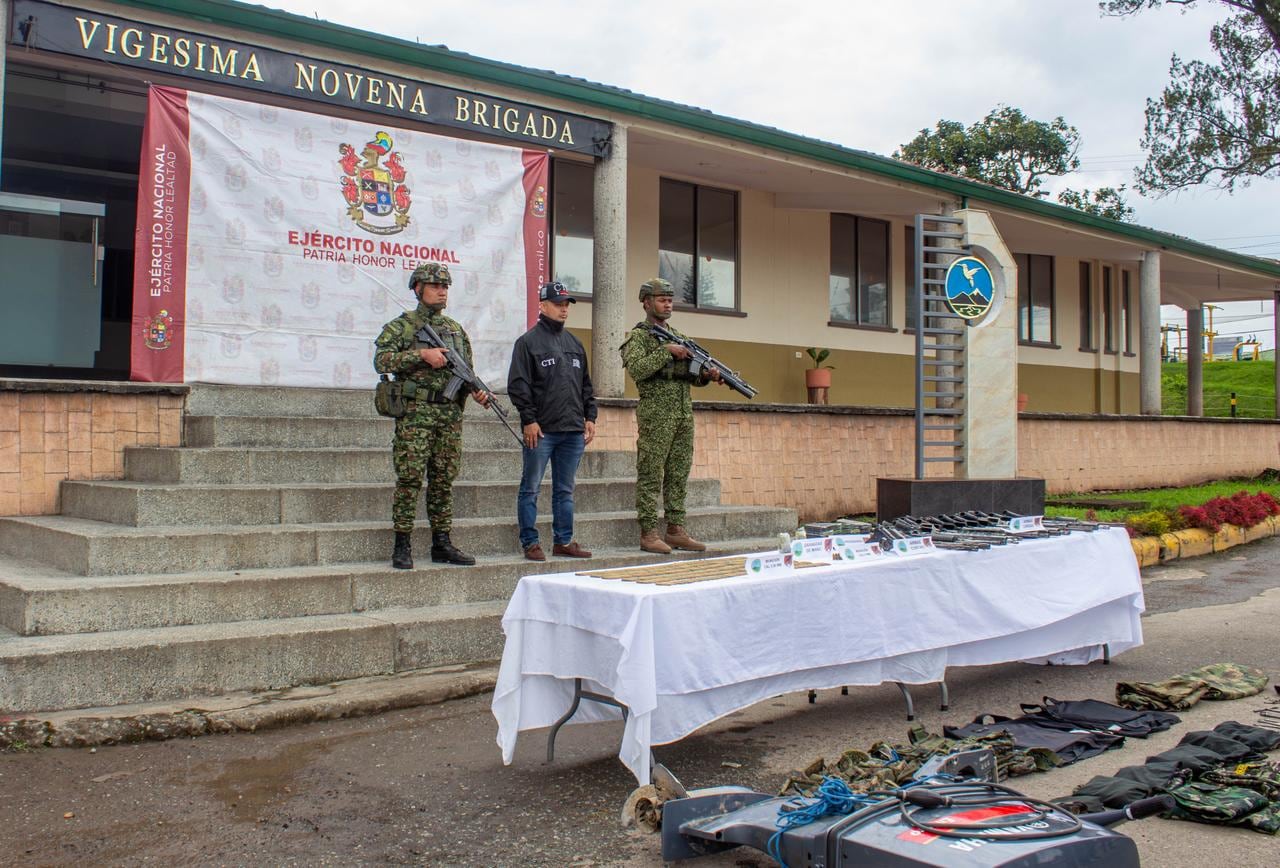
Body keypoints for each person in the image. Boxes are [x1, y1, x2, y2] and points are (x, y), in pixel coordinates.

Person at [373, 262, 490, 569]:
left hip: (448, 415)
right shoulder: (402, 326)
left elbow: (466, 372)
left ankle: (442, 542)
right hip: (415, 414)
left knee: (443, 479)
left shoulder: (454, 330)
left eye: (446, 286)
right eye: (436, 286)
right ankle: (402, 543)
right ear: (418, 289)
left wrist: (475, 391)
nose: (442, 291)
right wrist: (421, 355)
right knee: (410, 478)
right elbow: (381, 360)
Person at [620, 277, 722, 554]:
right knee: (651, 473)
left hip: (681, 414)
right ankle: (649, 532)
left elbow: (692, 377)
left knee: (678, 472)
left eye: (669, 300)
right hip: (656, 414)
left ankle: (676, 529)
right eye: (662, 299)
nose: (667, 304)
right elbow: (638, 370)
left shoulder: (679, 336)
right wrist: (665, 353)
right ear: (646, 302)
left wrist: (708, 375)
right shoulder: (639, 337)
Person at [506, 281, 598, 561]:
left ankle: (563, 541)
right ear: (543, 306)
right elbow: (518, 385)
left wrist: (590, 416)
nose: (564, 309)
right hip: (542, 431)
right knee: (531, 487)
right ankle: (530, 542)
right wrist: (529, 420)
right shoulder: (527, 343)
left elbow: (585, 385)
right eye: (558, 304)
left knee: (565, 490)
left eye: (566, 304)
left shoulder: (574, 343)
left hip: (572, 431)